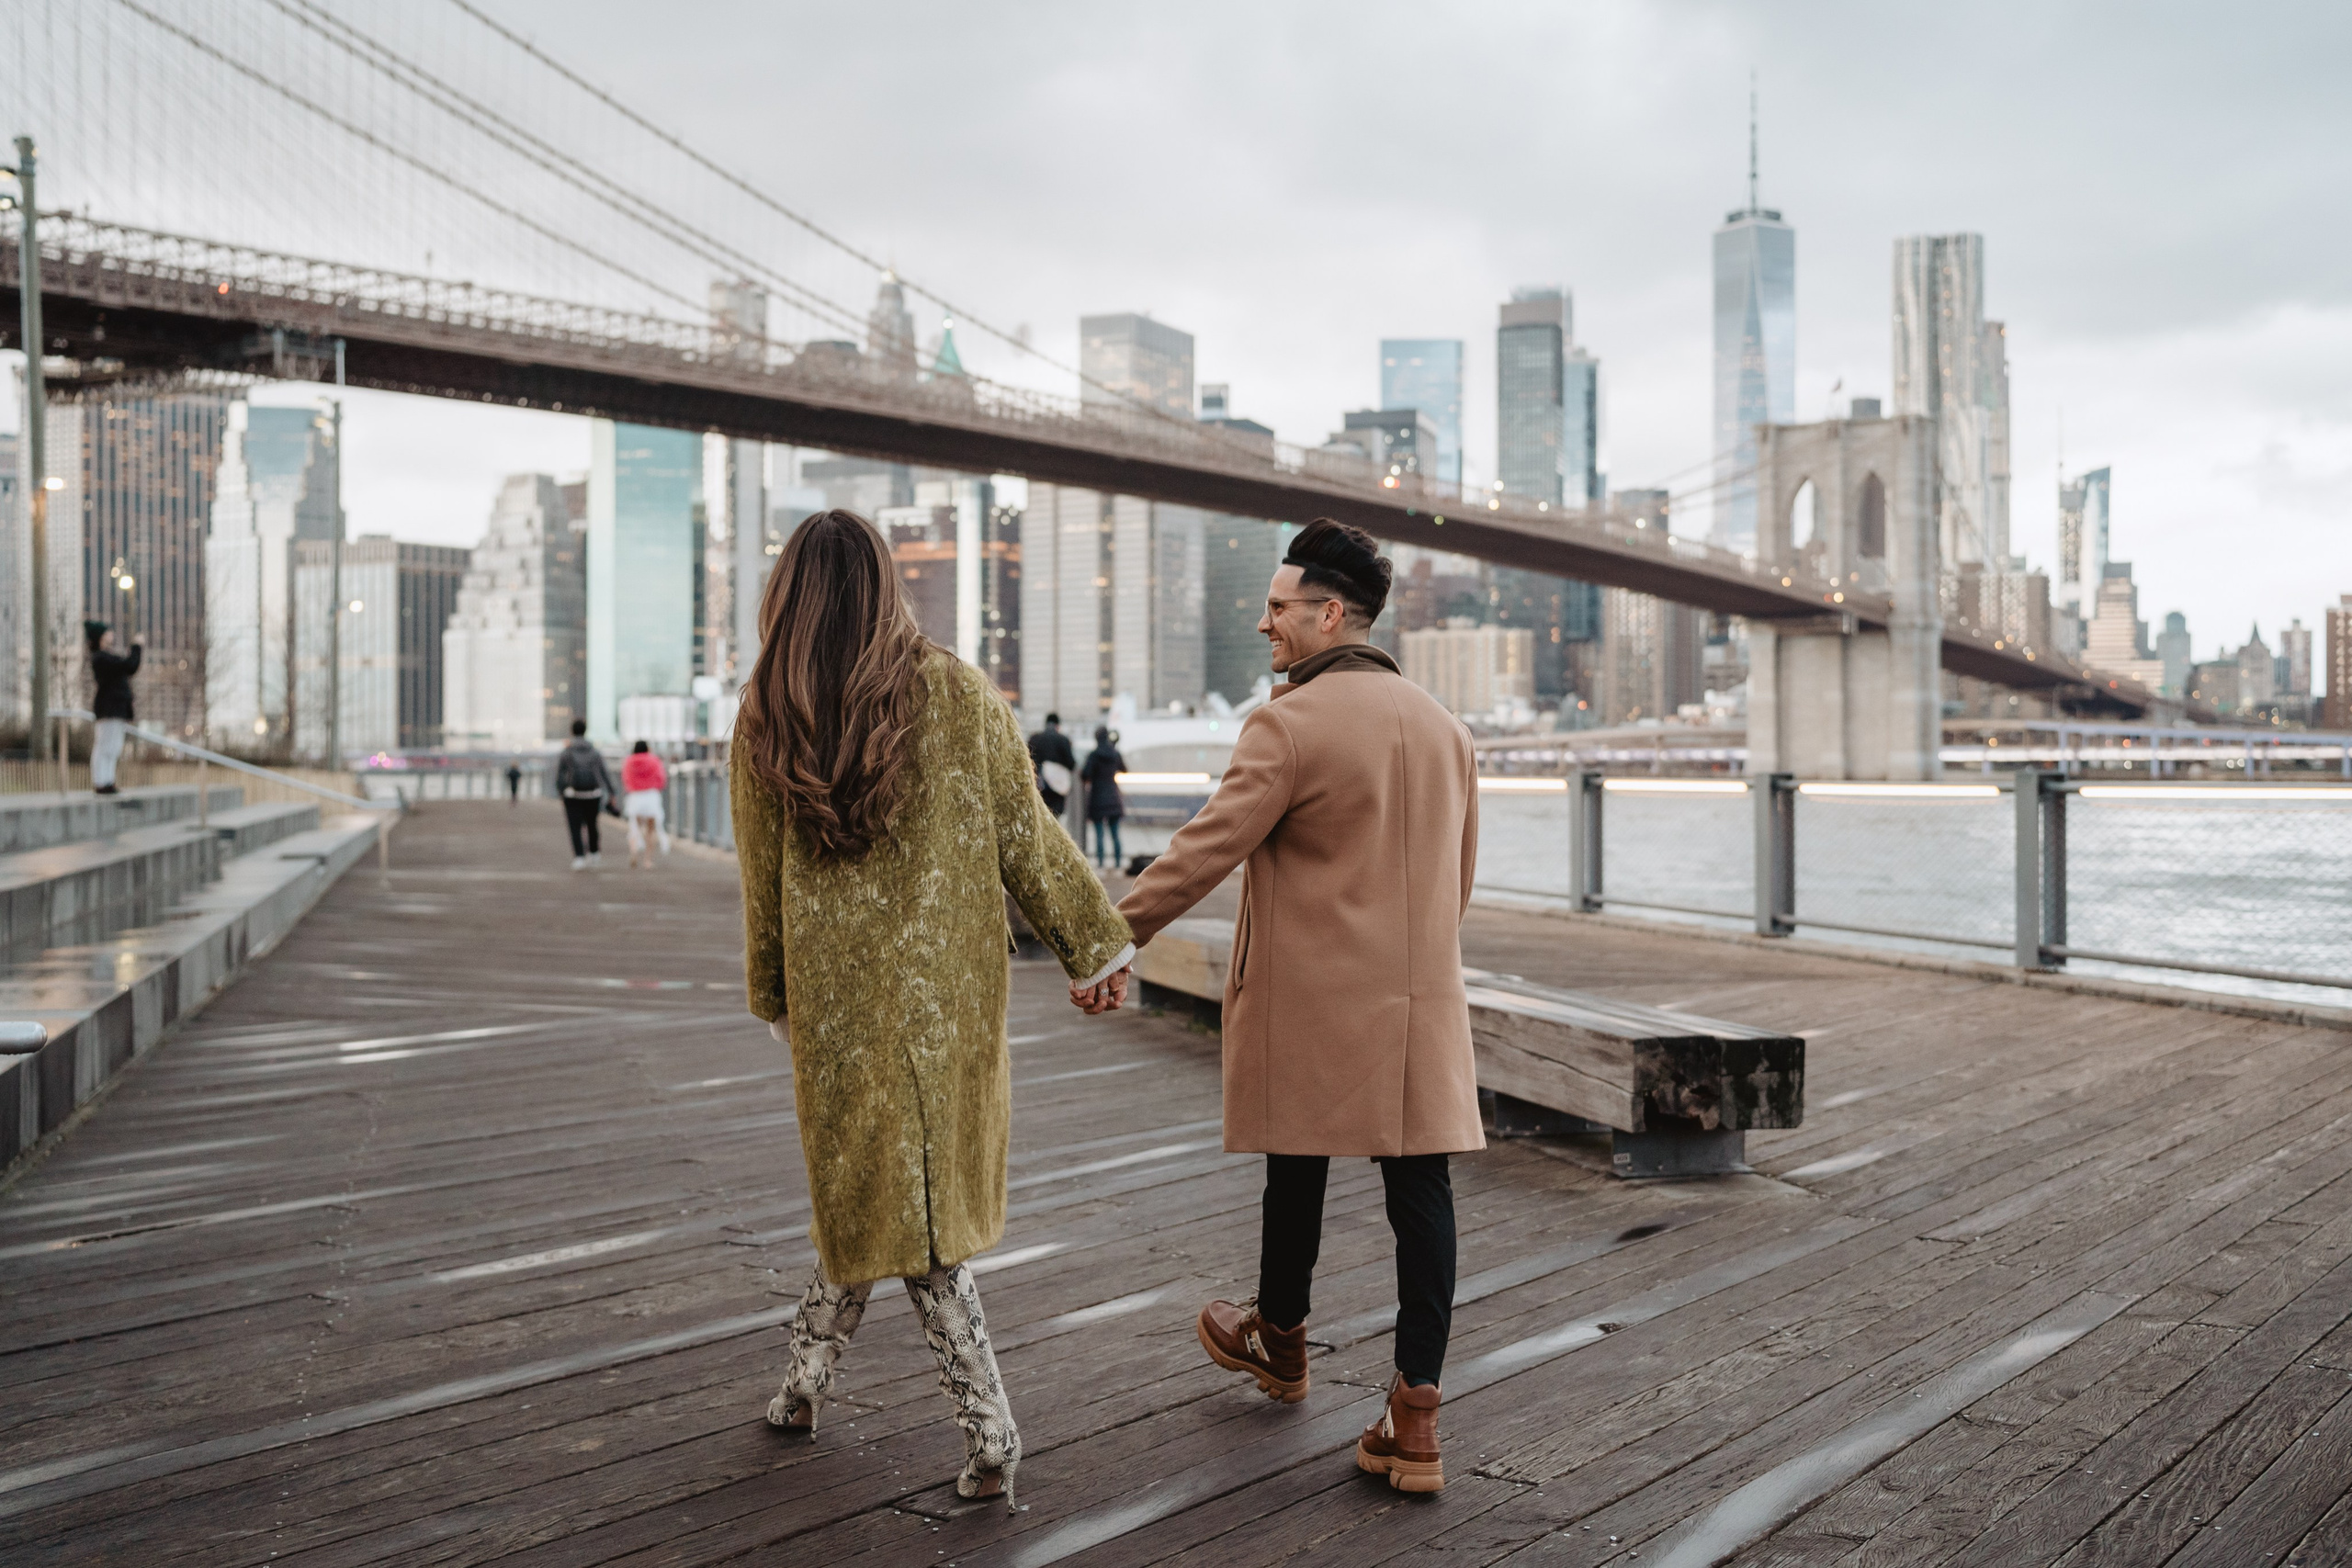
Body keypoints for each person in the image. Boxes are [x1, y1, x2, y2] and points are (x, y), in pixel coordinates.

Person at [731, 510, 1133, 1510]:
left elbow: (760, 884)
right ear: (885, 586)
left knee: (889, 1202)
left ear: (789, 596)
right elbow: (1025, 839)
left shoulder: (767, 716)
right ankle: (805, 1386)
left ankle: (987, 1428)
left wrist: (772, 994)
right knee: (896, 1198)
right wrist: (1097, 947)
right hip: (947, 1001)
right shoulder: (955, 693)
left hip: (839, 1011)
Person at [1109, 518, 1481, 1494]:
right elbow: (1459, 882)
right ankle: (1417, 1421)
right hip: (1417, 1003)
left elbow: (1205, 847)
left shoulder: (1286, 724)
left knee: (1297, 1158)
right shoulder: (1446, 728)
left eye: (1277, 608)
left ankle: (1280, 1338)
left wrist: (1112, 935)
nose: (1262, 622)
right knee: (1420, 1196)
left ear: (1327, 614)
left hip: (1313, 996)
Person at [85, 620, 142, 796]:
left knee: (113, 746)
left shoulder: (105, 657)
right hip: (109, 710)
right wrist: (137, 647)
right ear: (100, 637)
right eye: (107, 632)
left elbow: (127, 667)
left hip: (116, 710)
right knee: (105, 746)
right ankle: (101, 781)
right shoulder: (101, 658)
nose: (111, 634)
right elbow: (130, 666)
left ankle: (107, 781)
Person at [553, 719, 616, 870]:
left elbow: (559, 776)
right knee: (592, 824)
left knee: (574, 827)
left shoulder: (566, 752)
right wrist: (612, 792)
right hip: (593, 794)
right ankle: (594, 853)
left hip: (573, 795)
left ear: (572, 731)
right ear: (585, 731)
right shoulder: (594, 751)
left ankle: (579, 857)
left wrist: (562, 792)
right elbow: (604, 773)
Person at [1080, 725, 1127, 869]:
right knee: (1115, 834)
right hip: (1113, 796)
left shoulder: (1093, 755)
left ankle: (1100, 864)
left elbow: (1085, 774)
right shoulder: (1115, 753)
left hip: (1097, 797)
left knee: (1099, 834)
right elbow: (1124, 769)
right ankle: (1118, 864)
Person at [620, 740, 670, 868]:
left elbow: (625, 779)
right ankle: (647, 860)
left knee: (635, 828)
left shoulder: (629, 761)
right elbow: (661, 778)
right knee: (651, 830)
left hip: (636, 797)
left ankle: (634, 852)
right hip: (651, 796)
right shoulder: (654, 760)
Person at [1026, 711, 1076, 820]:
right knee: (1055, 817)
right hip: (1056, 787)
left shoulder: (1034, 738)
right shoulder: (1063, 740)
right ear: (1058, 725)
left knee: (1040, 815)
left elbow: (1027, 759)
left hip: (1038, 783)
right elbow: (1071, 763)